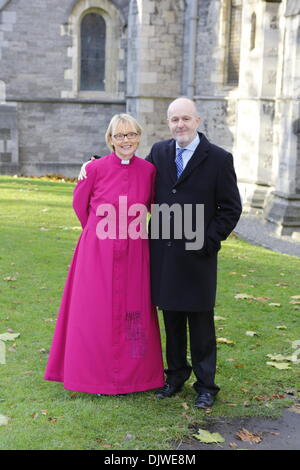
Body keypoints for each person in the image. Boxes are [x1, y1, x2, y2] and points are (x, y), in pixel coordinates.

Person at [79, 98, 242, 408]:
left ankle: (206, 385)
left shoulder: (219, 159)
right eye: (174, 120)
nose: (180, 124)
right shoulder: (161, 153)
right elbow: (131, 173)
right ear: (169, 123)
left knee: (201, 321)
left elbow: (231, 207)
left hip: (198, 254)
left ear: (198, 120)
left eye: (185, 119)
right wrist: (94, 163)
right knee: (172, 318)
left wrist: (209, 241)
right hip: (164, 253)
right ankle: (176, 376)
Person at [44, 114, 165, 395]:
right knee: (95, 312)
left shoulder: (148, 170)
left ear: (139, 136)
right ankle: (95, 377)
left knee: (133, 312)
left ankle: (135, 378)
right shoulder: (95, 169)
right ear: (110, 140)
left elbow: (151, 205)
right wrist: (98, 233)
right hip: (97, 251)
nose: (127, 141)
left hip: (135, 250)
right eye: (120, 136)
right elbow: (80, 204)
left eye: (132, 134)